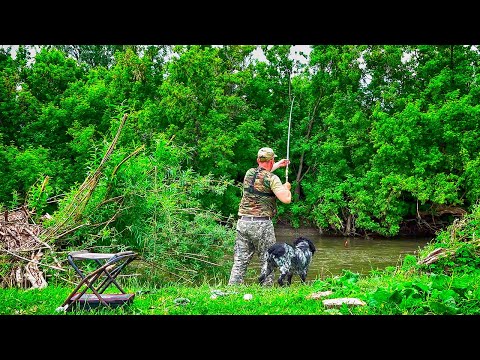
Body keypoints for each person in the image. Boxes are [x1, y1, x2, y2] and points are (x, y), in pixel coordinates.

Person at [228, 146, 291, 286]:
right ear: (271, 159)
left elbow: (262, 174)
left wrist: (278, 164)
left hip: (243, 222)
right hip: (261, 224)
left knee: (240, 260)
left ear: (258, 160)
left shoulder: (249, 173)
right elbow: (286, 199)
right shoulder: (273, 179)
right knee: (267, 259)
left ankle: (232, 290)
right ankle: (266, 290)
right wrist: (287, 189)